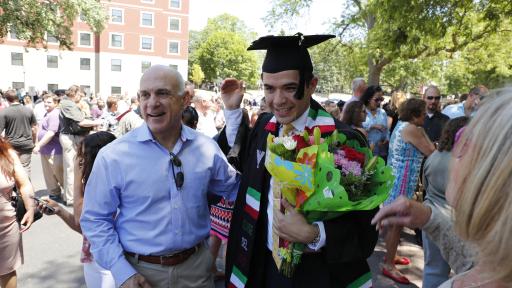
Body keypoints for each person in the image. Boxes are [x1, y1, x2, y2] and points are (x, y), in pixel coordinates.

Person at [220, 34, 378, 288]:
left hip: (317, 274)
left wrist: (315, 234)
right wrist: (231, 111)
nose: (278, 100)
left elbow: (367, 228)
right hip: (264, 266)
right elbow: (243, 165)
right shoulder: (264, 127)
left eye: (290, 88)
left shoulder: (344, 142)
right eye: (269, 88)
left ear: (312, 84)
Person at [80, 65, 240, 288]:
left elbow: (237, 190)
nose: (152, 103)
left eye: (162, 93)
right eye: (145, 95)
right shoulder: (114, 156)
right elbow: (95, 219)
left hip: (197, 271)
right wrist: (121, 271)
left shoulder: (206, 148)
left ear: (184, 99)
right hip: (140, 274)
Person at [372, 91, 512, 287]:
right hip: (403, 181)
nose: (456, 153)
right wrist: (430, 220)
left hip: (402, 180)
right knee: (395, 225)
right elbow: (475, 264)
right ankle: (389, 260)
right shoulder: (499, 262)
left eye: (466, 143)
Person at [39, 132, 116, 287]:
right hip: (94, 261)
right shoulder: (93, 184)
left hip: (112, 264)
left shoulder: (111, 187)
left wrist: (76, 176)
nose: (78, 160)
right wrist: (59, 210)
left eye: (81, 156)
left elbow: (80, 221)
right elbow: (87, 230)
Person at [381, 98, 435, 284]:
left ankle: (390, 256)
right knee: (396, 225)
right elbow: (431, 151)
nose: (425, 116)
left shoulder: (401, 125)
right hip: (402, 183)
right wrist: (424, 133)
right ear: (414, 115)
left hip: (394, 180)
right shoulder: (413, 129)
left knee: (392, 224)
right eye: (423, 113)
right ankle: (388, 264)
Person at [420, 116, 469, 288]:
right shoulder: (463, 162)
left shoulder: (433, 157)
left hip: (429, 216)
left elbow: (425, 185)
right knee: (463, 272)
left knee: (432, 269)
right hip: (453, 221)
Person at [0, 137, 35, 288]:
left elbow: (24, 183)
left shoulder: (6, 153)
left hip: (6, 226)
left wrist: (30, 208)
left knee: (7, 270)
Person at [59, 85, 102, 206]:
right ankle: (72, 198)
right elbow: (82, 121)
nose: (81, 98)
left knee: (72, 167)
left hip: (73, 136)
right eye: (80, 95)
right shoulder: (67, 103)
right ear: (75, 93)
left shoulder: (70, 103)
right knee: (72, 168)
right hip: (71, 137)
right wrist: (98, 122)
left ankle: (70, 196)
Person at [33, 94, 64, 202]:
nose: (46, 104)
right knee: (49, 175)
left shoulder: (55, 114)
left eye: (49, 102)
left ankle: (71, 195)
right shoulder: (47, 113)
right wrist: (37, 143)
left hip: (55, 150)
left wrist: (38, 145)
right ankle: (54, 194)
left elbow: (51, 133)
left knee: (59, 174)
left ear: (56, 103)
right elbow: (40, 129)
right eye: (45, 102)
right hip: (46, 150)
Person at [0, 89, 37, 176]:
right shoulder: (28, 110)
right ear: (18, 98)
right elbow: (34, 129)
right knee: (25, 167)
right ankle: (26, 187)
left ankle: (16, 188)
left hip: (11, 144)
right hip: (27, 143)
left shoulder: (4, 112)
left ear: (7, 99)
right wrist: (34, 142)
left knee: (12, 167)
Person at [361, 85, 389, 160]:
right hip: (365, 153)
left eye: (381, 99)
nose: (379, 102)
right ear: (368, 98)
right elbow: (356, 130)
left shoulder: (382, 112)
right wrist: (372, 126)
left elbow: (386, 131)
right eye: (377, 99)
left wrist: (386, 139)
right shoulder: (361, 111)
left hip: (379, 154)